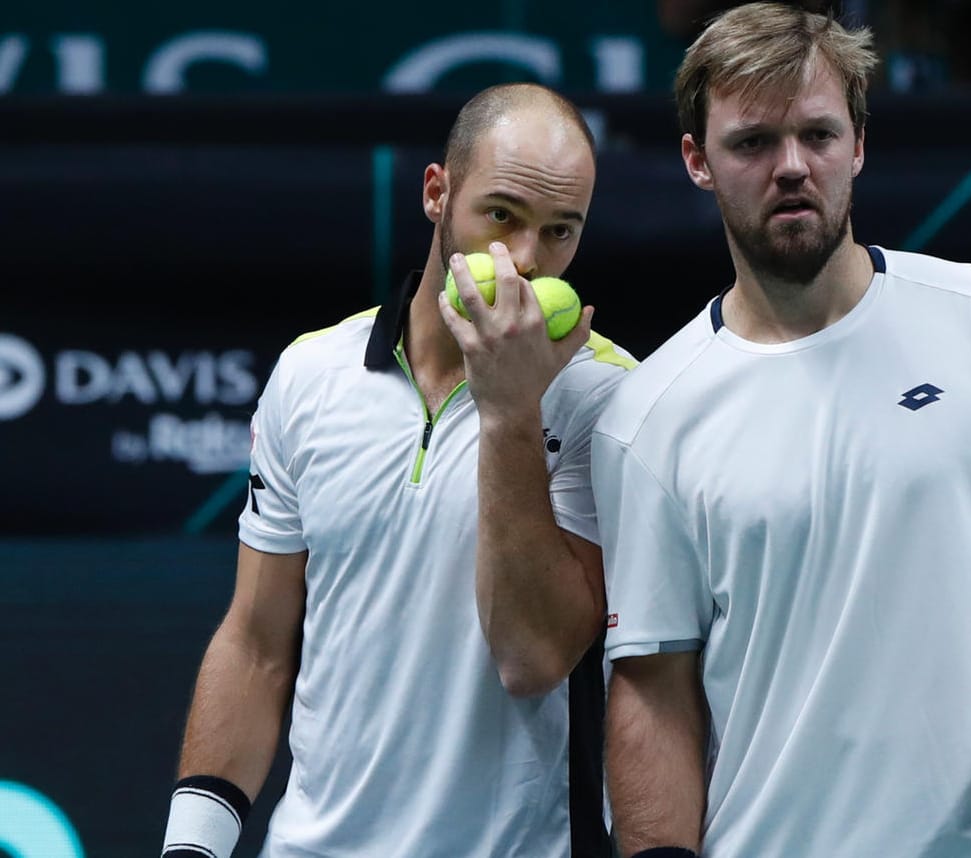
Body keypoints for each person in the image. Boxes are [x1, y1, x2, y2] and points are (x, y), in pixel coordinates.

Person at [590, 4, 971, 858]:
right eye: (752, 143)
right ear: (697, 160)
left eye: (818, 134)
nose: (792, 167)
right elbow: (653, 689)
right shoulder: (643, 417)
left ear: (859, 143)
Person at [160, 82, 636, 858]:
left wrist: (510, 410)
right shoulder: (311, 375)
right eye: (502, 215)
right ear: (436, 193)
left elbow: (533, 657)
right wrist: (191, 847)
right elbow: (257, 641)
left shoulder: (609, 400)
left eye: (559, 232)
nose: (523, 261)